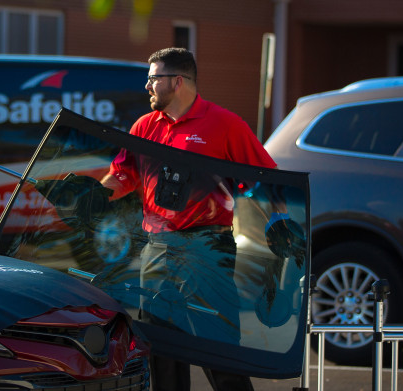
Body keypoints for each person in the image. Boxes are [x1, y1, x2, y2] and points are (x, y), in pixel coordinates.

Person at [100, 47, 278, 391]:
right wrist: (84, 195)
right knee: (162, 353)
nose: (147, 86)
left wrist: (279, 227)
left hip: (208, 251)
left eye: (153, 79)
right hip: (158, 250)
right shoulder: (144, 126)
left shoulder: (225, 124)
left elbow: (266, 180)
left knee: (218, 351)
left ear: (177, 81)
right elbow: (123, 176)